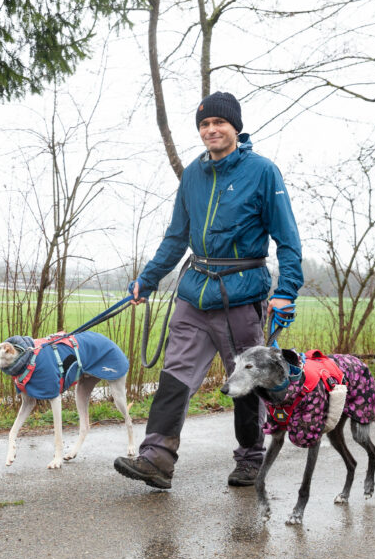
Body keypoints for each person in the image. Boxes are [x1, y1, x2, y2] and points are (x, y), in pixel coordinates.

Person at [113, 91, 303, 490]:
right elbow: (176, 237)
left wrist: (286, 290)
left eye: (219, 122)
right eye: (204, 124)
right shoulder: (192, 176)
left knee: (246, 379)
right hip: (194, 292)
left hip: (241, 295)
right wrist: (147, 279)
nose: (211, 129)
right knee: (174, 374)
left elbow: (287, 239)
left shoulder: (263, 172)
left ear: (235, 127)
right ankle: (157, 457)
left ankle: (250, 458)